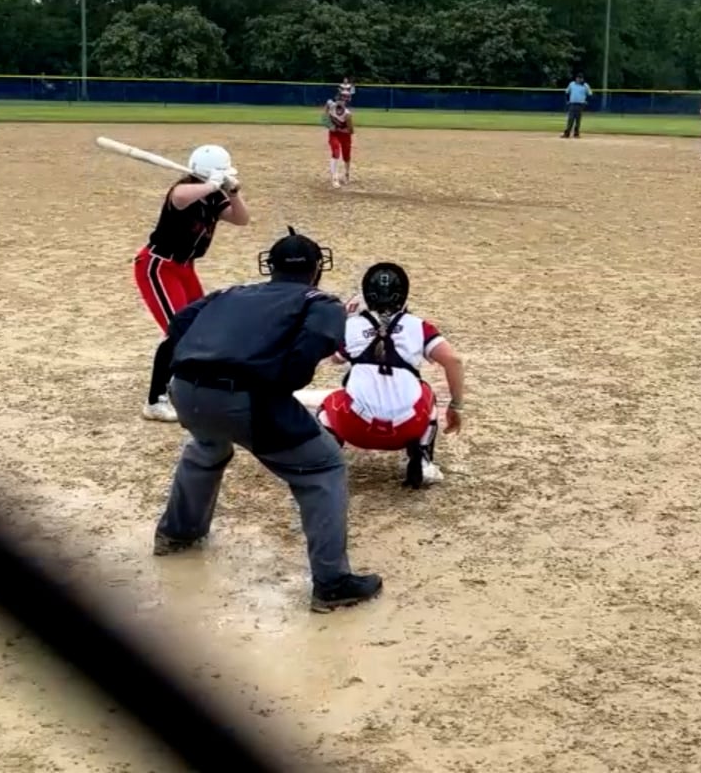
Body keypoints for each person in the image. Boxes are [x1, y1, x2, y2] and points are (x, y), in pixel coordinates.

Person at [150, 228, 384, 613]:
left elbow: (177, 328)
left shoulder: (228, 293)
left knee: (207, 446)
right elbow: (316, 343)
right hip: (247, 398)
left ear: (269, 267)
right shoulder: (320, 301)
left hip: (185, 391)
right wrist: (279, 383)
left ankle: (177, 534)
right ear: (316, 269)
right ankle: (332, 583)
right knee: (324, 466)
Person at [311, 262, 467, 489]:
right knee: (426, 393)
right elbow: (454, 361)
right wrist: (456, 406)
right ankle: (423, 461)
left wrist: (346, 317)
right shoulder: (418, 326)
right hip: (406, 429)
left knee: (329, 404)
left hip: (356, 428)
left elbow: (335, 358)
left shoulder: (351, 326)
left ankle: (324, 464)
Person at [136, 144, 251, 422]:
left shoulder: (214, 196)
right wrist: (211, 184)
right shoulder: (183, 190)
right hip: (159, 266)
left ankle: (183, 385)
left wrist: (233, 193)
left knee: (200, 326)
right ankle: (155, 401)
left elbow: (242, 219)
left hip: (185, 268)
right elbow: (179, 197)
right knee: (179, 331)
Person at [323, 88, 354, 188]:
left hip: (345, 136)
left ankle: (346, 174)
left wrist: (339, 129)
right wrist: (329, 125)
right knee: (336, 152)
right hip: (334, 134)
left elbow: (351, 131)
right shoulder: (330, 105)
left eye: (344, 99)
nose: (341, 101)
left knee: (346, 156)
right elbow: (324, 118)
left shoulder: (347, 115)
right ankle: (335, 178)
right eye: (340, 98)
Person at [561, 72, 591, 139]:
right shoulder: (572, 84)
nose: (579, 79)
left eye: (581, 78)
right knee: (570, 118)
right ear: (576, 78)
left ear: (582, 79)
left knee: (578, 119)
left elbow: (589, 94)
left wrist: (586, 101)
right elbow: (567, 92)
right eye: (578, 78)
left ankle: (576, 133)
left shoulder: (585, 85)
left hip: (580, 104)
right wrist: (568, 100)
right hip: (572, 103)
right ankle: (567, 133)